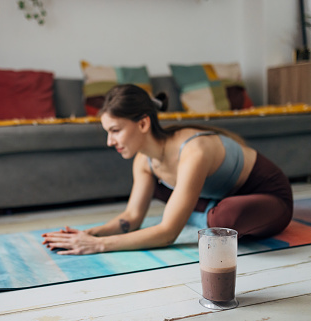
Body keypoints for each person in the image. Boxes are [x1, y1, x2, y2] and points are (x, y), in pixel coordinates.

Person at [42, 84, 293, 255]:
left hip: (271, 199)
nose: (110, 142)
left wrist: (99, 245)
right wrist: (87, 234)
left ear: (142, 123)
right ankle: (195, 213)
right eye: (108, 132)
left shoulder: (193, 151)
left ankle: (195, 214)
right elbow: (131, 218)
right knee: (172, 194)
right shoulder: (144, 161)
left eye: (115, 131)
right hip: (218, 197)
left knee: (223, 222)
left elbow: (167, 233)